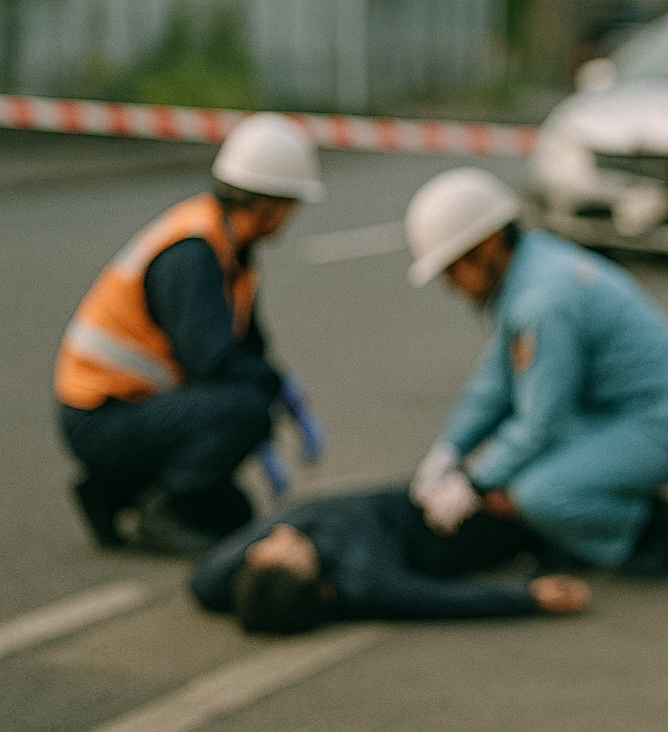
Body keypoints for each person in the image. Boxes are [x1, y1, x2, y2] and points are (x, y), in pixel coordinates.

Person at [402, 167, 668, 579]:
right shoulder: (530, 268)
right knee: (518, 471)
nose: (450, 286)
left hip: (662, 425)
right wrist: (448, 450)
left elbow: (540, 422)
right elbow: (494, 386)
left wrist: (472, 483)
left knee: (535, 494)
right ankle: (598, 514)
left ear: (488, 246)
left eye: (451, 269)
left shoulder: (542, 302)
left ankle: (647, 526)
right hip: (620, 414)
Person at [55, 113, 325, 554]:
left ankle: (109, 491)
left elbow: (249, 348)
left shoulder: (230, 250)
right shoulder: (194, 253)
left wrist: (280, 387)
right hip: (101, 417)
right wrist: (271, 395)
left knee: (234, 516)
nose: (292, 218)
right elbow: (212, 362)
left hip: (129, 410)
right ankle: (160, 510)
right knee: (244, 410)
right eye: (292, 204)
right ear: (266, 203)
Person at [190, 487, 591, 632]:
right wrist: (529, 599)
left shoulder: (219, 583)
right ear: (318, 583)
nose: (279, 534)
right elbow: (443, 601)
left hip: (415, 490)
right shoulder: (367, 582)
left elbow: (209, 576)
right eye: (282, 549)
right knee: (532, 506)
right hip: (437, 524)